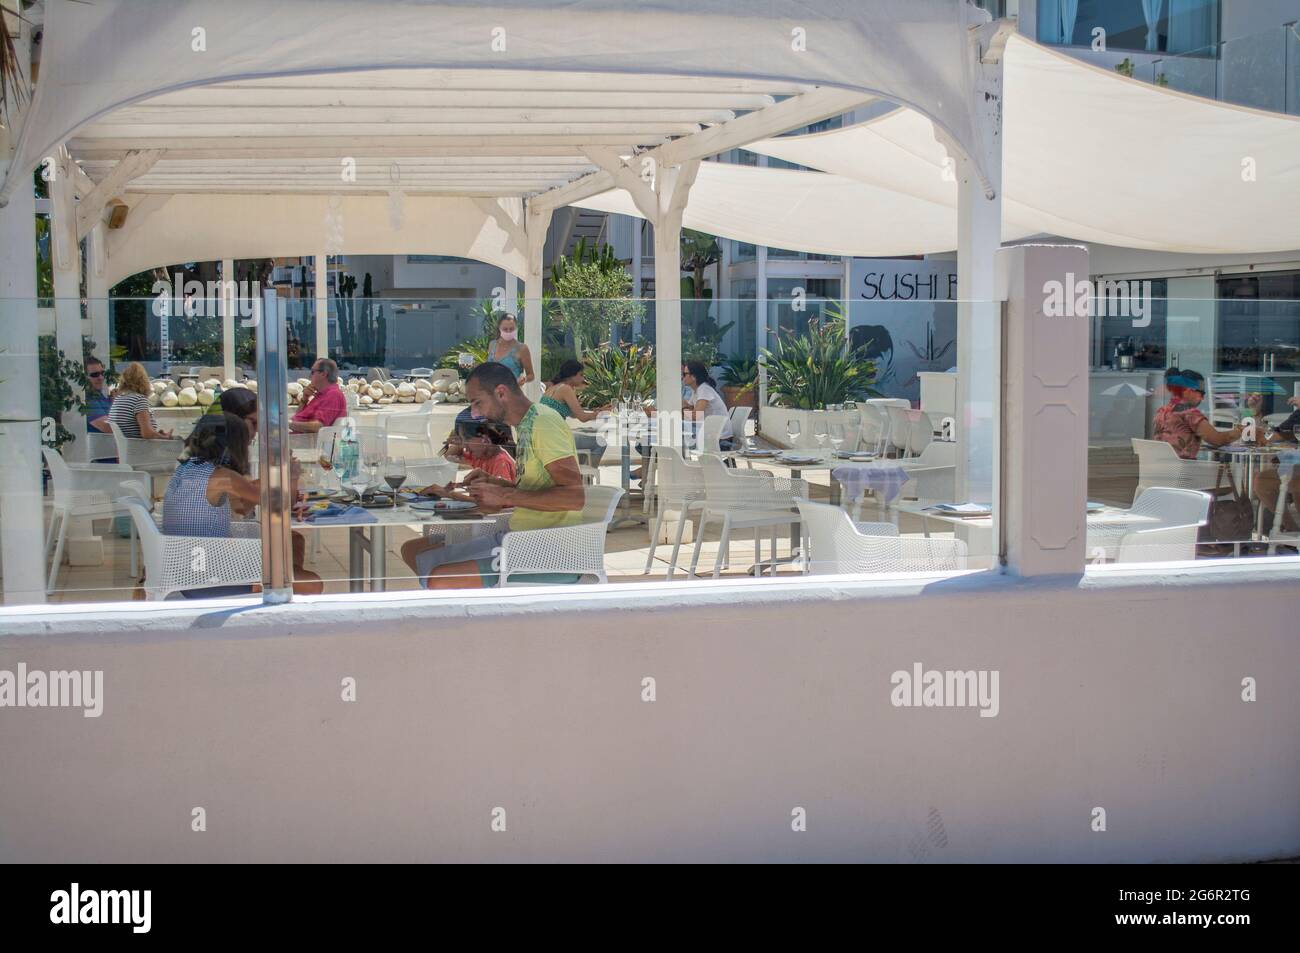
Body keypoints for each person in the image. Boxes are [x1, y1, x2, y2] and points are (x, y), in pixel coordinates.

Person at [399, 361, 584, 589]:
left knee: (440, 578)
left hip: (549, 550)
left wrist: (505, 496)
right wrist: (496, 484)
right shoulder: (527, 424)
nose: (475, 413)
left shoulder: (543, 423)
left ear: (501, 393)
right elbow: (537, 489)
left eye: (477, 403)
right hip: (518, 538)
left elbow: (574, 497)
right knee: (417, 555)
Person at [161, 413, 322, 597]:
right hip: (205, 579)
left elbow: (243, 505)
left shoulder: (188, 468)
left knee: (294, 540)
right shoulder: (221, 476)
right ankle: (278, 590)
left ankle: (281, 583)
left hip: (186, 566)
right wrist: (291, 476)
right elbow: (278, 504)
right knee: (312, 583)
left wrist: (277, 474)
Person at [1152, 369, 1242, 460]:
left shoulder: (1161, 411)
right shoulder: (1190, 414)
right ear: (1188, 390)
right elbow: (1217, 440)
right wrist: (1243, 431)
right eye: (1201, 393)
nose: (1202, 398)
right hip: (1182, 471)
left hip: (1160, 469)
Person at [1249, 394, 1300, 533]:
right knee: (1262, 481)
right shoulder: (1298, 415)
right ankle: (1291, 529)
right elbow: (1275, 434)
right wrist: (1255, 413)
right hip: (1293, 469)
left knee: (1295, 483)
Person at [439, 416, 518, 483]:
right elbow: (449, 457)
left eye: (467, 439)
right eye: (462, 441)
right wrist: (459, 444)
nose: (464, 446)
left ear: (484, 439)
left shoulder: (501, 461)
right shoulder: (479, 454)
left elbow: (501, 494)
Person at [109, 362, 174, 439]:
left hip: (127, 448)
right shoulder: (138, 400)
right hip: (140, 449)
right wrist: (165, 437)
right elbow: (147, 434)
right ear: (143, 380)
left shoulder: (119, 399)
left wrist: (157, 434)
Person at [682, 360, 734, 450]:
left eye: (684, 374)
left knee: (679, 437)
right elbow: (690, 407)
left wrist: (683, 409)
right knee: (681, 433)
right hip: (713, 434)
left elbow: (696, 416)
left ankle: (678, 462)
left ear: (693, 376)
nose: (682, 377)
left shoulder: (704, 389)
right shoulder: (697, 390)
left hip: (720, 439)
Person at [289, 358, 347, 433]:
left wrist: (288, 424)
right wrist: (304, 399)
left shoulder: (333, 395)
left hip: (304, 442)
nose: (310, 376)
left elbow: (319, 426)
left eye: (312, 372)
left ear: (323, 374)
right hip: (297, 439)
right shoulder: (320, 395)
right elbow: (298, 417)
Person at [541, 359, 606, 422]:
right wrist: (606, 413)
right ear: (571, 375)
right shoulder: (566, 389)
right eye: (581, 375)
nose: (583, 379)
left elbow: (574, 414)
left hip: (541, 427)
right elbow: (583, 417)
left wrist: (600, 410)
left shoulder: (554, 387)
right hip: (550, 429)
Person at [486, 313, 534, 387]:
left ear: (516, 328)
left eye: (511, 329)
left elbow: (531, 375)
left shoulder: (522, 348)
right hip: (492, 392)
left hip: (512, 393)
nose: (508, 332)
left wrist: (523, 379)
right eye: (505, 329)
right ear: (499, 328)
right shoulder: (492, 344)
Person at [84, 356, 113, 434]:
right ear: (85, 378)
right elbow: (108, 427)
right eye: (95, 375)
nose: (101, 377)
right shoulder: (86, 401)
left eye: (102, 373)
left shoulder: (100, 395)